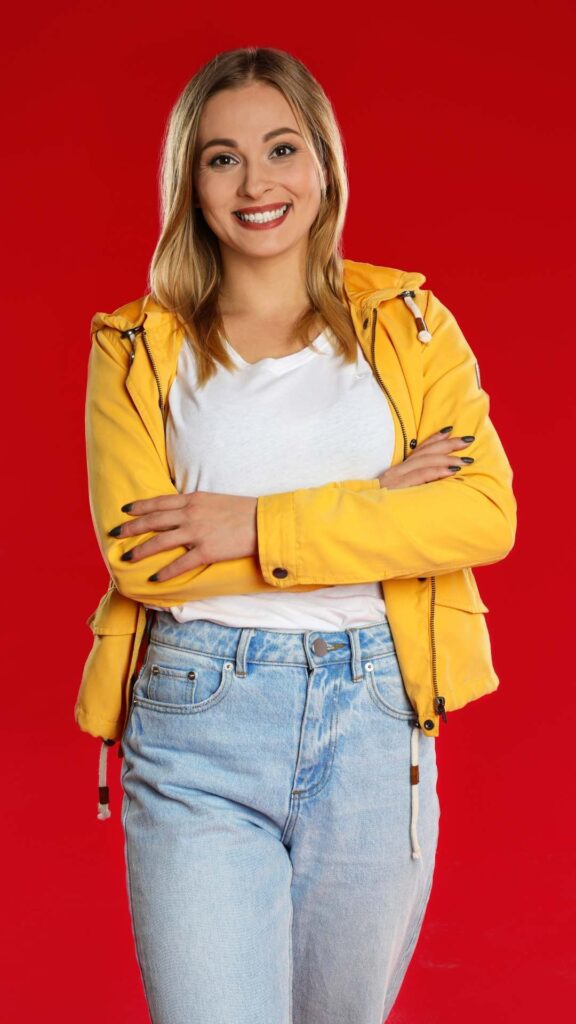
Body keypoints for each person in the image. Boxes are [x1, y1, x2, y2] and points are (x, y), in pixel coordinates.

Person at [75, 46, 517, 1024]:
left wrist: (248, 520)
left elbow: (482, 512)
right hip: (196, 720)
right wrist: (376, 499)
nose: (257, 181)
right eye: (221, 157)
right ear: (188, 181)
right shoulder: (137, 347)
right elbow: (143, 556)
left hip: (374, 718)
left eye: (281, 148)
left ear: (324, 163)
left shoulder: (411, 325)